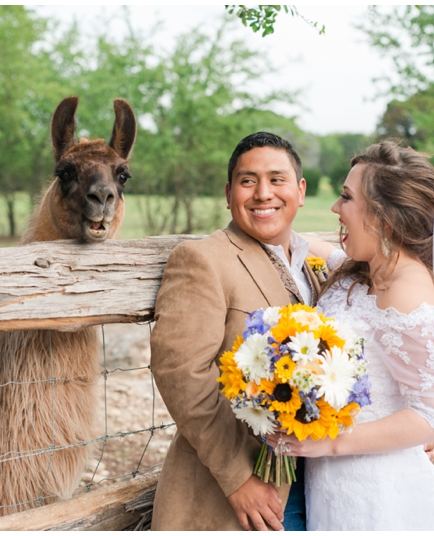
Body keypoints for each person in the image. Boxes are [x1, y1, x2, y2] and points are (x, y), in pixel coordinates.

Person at [266, 140, 434, 530]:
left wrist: (329, 442)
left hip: (378, 494)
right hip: (330, 484)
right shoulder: (363, 270)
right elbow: (305, 245)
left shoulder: (411, 294)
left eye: (346, 198)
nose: (335, 208)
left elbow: (431, 416)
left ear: (383, 218)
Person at [149, 132, 321, 531]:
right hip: (235, 495)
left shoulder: (314, 265)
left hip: (317, 482)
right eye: (248, 181)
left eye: (277, 179)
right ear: (229, 193)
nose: (263, 193)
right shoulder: (204, 259)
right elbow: (182, 375)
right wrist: (237, 479)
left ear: (300, 190)